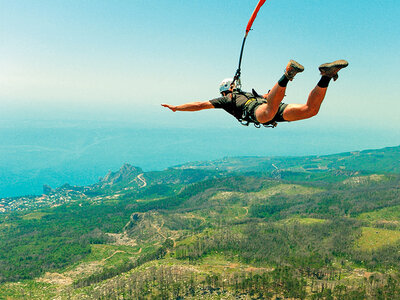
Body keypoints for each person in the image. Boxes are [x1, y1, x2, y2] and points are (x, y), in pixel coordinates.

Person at [161, 59, 348, 128]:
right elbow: (268, 98)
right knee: (311, 110)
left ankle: (287, 73)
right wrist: (267, 98)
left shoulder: (228, 99)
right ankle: (326, 76)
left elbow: (200, 105)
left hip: (260, 112)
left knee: (268, 113)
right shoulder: (247, 93)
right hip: (271, 107)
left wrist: (177, 108)